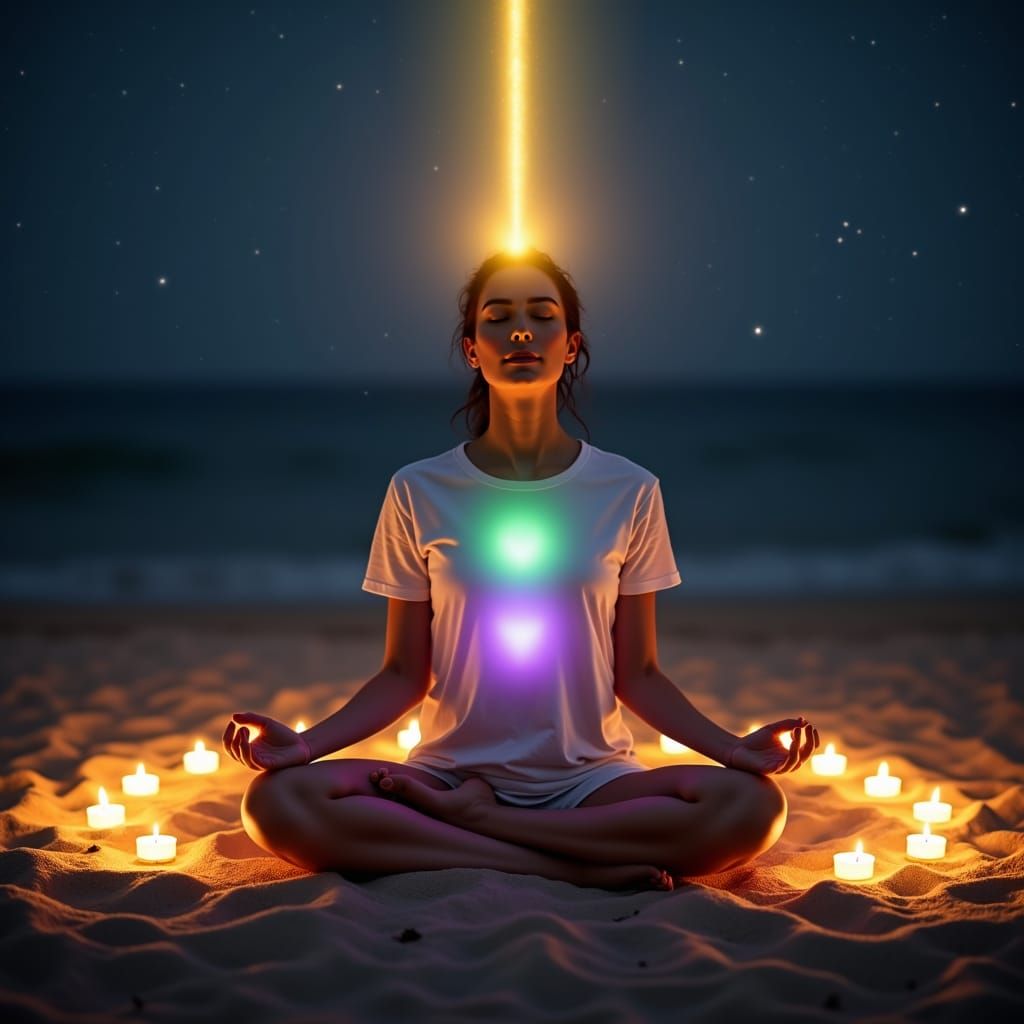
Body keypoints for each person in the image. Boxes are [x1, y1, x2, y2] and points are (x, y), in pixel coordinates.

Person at [224, 247, 820, 892]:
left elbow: (639, 674)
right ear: (472, 349)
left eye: (541, 316)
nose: (519, 332)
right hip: (446, 776)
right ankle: (547, 862)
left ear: (571, 346)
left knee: (753, 806)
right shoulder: (418, 488)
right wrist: (304, 748)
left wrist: (735, 750)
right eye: (497, 318)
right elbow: (402, 674)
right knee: (275, 801)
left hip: (591, 782)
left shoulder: (630, 489)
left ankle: (476, 832)